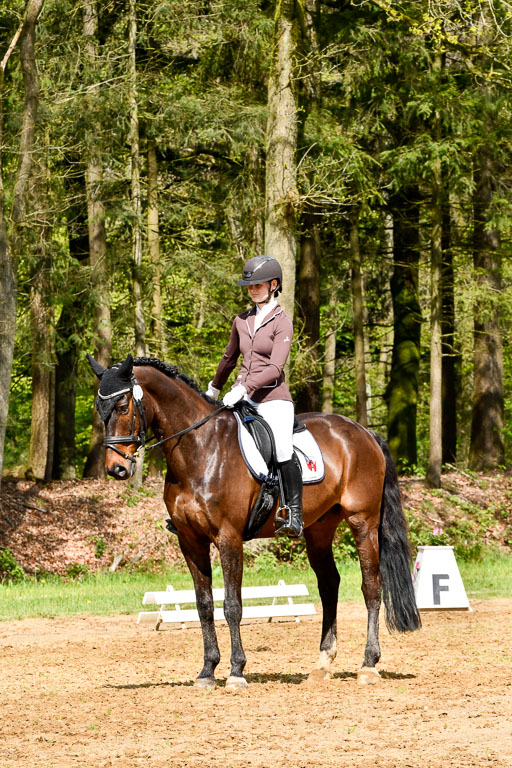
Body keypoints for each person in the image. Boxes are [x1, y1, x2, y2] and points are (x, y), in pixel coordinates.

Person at [206, 255, 303, 538]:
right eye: (249, 286)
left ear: (273, 285)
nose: (252, 290)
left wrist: (244, 388)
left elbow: (275, 368)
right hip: (242, 396)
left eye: (257, 285)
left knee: (282, 449)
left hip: (273, 399)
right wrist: (213, 388)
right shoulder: (242, 320)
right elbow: (229, 358)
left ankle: (294, 514)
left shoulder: (282, 322)